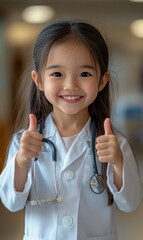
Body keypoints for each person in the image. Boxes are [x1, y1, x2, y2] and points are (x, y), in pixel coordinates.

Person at [0, 20, 142, 240]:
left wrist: (118, 163)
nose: (71, 85)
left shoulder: (113, 143)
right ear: (38, 80)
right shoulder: (24, 141)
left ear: (103, 80)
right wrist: (20, 162)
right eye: (57, 74)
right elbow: (11, 202)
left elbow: (130, 203)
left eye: (84, 74)